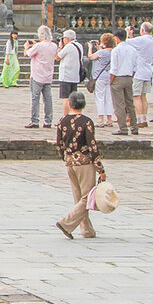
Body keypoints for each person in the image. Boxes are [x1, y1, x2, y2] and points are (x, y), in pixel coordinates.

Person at [55, 91, 105, 239]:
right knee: (88, 197)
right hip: (84, 163)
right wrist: (100, 168)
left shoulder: (62, 121)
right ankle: (66, 223)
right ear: (84, 105)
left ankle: (87, 231)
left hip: (70, 162)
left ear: (69, 104)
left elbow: (59, 144)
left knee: (79, 198)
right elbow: (92, 146)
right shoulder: (86, 122)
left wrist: (66, 158)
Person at [24, 26, 58, 129]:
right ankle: (48, 120)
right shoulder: (54, 46)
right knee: (48, 99)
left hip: (37, 75)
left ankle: (35, 120)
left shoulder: (38, 46)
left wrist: (26, 47)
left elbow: (27, 54)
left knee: (35, 98)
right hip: (48, 75)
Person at [108, 28, 139, 136]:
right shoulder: (132, 49)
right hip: (129, 77)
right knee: (130, 103)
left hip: (118, 77)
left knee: (119, 104)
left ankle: (123, 128)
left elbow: (114, 68)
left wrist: (111, 80)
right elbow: (135, 67)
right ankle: (134, 127)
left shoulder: (116, 50)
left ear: (116, 38)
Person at [129, 21, 153, 129]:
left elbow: (126, 42)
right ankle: (144, 118)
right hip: (147, 71)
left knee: (136, 96)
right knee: (143, 96)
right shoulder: (152, 40)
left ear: (142, 30)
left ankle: (140, 119)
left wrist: (128, 34)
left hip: (139, 71)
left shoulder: (142, 39)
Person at [88, 34, 116, 127]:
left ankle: (100, 119)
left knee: (100, 98)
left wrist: (90, 48)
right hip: (110, 76)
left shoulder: (101, 52)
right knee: (108, 98)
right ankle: (109, 119)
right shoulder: (114, 51)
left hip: (100, 77)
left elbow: (91, 57)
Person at [56, 29, 85, 117]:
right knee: (73, 98)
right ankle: (74, 114)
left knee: (65, 98)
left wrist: (60, 47)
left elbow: (57, 57)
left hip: (66, 75)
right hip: (75, 75)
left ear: (67, 39)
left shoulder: (68, 46)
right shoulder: (79, 45)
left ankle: (66, 117)